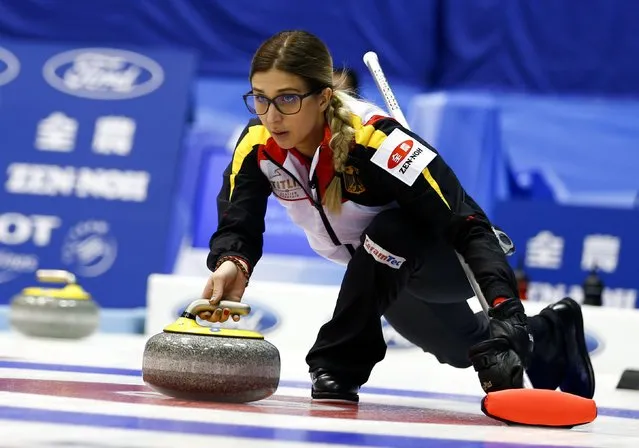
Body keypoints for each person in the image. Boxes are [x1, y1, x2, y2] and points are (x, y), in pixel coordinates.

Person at [200, 30, 595, 403]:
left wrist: (508, 316)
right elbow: (239, 219)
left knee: (389, 230)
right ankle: (553, 332)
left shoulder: (378, 141)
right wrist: (232, 262)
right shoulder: (258, 145)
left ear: (322, 97)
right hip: (377, 270)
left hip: (447, 261)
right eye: (260, 98)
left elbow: (467, 222)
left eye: (287, 99)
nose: (272, 116)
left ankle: (337, 365)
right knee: (461, 349)